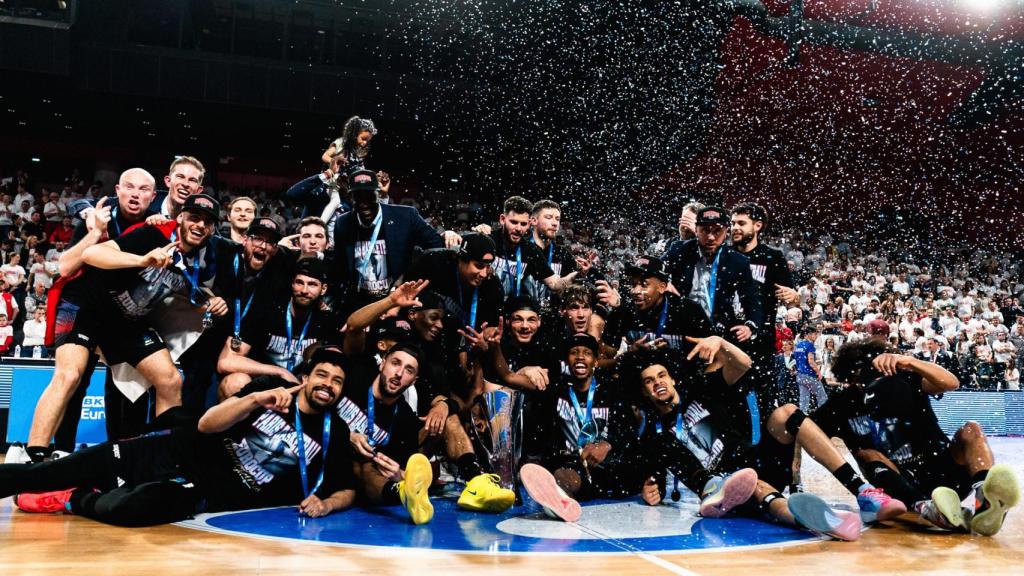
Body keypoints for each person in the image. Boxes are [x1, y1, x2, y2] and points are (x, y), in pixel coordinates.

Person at [8, 347, 357, 526]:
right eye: (321, 375)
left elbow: (347, 487)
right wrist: (254, 400)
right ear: (306, 377)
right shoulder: (269, 389)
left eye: (336, 381)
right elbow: (208, 424)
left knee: (131, 508)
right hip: (173, 448)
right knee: (43, 473)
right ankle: (69, 482)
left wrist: (326, 504)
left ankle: (73, 498)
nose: (327, 384)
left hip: (205, 490)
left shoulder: (335, 432)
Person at [25, 194, 227, 464]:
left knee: (169, 380)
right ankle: (36, 458)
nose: (200, 225)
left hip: (125, 320)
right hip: (86, 305)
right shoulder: (154, 234)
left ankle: (164, 458)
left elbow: (190, 289)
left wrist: (211, 299)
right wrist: (142, 260)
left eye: (207, 222)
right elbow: (92, 253)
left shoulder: (204, 259)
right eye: (194, 218)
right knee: (70, 375)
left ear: (213, 229)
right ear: (180, 218)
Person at [816, 339, 1021, 536]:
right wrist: (795, 476)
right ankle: (926, 506)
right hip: (898, 489)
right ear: (849, 379)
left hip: (945, 475)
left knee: (972, 429)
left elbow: (951, 383)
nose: (869, 380)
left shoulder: (905, 380)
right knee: (867, 453)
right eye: (860, 377)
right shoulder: (841, 404)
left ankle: (984, 498)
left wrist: (911, 362)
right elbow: (805, 431)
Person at [335, 342, 514, 524]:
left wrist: (401, 474)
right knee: (360, 464)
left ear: (414, 381)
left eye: (409, 370)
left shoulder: (404, 418)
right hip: (332, 464)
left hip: (371, 474)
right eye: (395, 363)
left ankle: (477, 483)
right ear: (382, 364)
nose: (399, 373)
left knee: (446, 419)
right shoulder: (354, 377)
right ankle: (405, 493)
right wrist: (346, 435)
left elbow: (455, 403)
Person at [217, 259, 336, 398]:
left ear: (323, 289)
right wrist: (280, 372)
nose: (304, 290)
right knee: (234, 382)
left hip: (300, 389)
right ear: (292, 283)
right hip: (262, 384)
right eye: (299, 282)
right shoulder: (266, 310)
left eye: (312, 285)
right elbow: (225, 362)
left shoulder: (327, 320)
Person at [332, 170, 442, 309]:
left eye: (369, 196)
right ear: (352, 198)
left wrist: (407, 279)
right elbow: (340, 267)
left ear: (378, 194)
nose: (364, 203)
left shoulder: (405, 216)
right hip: (359, 303)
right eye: (359, 197)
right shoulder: (343, 223)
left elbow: (435, 246)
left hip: (397, 302)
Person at [729, 201, 800, 414]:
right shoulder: (725, 255)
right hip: (727, 339)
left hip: (761, 344)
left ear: (757, 226)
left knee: (761, 405)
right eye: (732, 223)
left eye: (741, 223)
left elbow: (792, 297)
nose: (735, 228)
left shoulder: (772, 256)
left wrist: (794, 296)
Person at [662, 206, 763, 344]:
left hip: (717, 333)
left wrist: (750, 326)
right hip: (680, 329)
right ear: (696, 230)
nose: (710, 237)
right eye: (705, 230)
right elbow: (652, 269)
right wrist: (663, 282)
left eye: (717, 231)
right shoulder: (679, 250)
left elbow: (752, 300)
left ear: (726, 232)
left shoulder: (738, 261)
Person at [794, 325, 828, 411]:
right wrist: (819, 372)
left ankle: (801, 419)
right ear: (809, 334)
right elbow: (811, 361)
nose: (816, 336)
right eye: (815, 334)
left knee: (804, 401)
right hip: (809, 375)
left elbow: (795, 360)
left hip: (800, 375)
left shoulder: (798, 345)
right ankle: (824, 418)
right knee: (822, 397)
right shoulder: (810, 345)